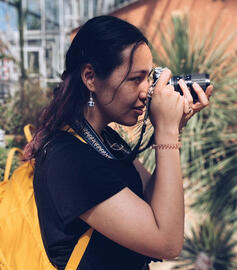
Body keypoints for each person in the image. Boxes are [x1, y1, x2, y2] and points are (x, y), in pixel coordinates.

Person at [24, 15, 213, 270]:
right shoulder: (68, 159)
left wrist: (173, 129)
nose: (147, 91)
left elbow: (152, 198)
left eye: (149, 78)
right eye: (136, 79)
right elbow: (168, 243)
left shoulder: (103, 139)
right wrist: (166, 134)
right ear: (90, 77)